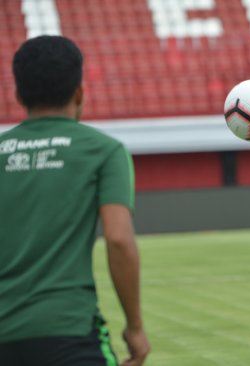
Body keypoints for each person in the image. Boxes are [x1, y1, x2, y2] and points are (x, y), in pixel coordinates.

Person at [0, 36, 150, 366]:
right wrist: (135, 327)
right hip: (68, 332)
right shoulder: (104, 151)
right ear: (79, 92)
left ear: (18, 94)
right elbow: (119, 240)